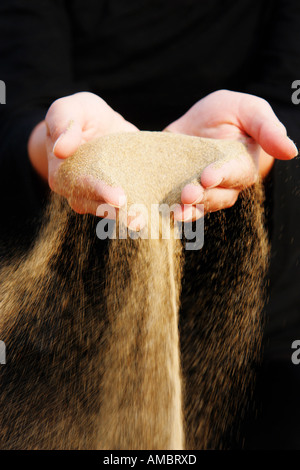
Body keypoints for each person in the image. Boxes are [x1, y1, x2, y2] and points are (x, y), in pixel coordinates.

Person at [0, 0, 300, 449]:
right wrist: (58, 148)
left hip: (262, 326)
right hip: (63, 311)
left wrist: (256, 149)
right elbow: (19, 97)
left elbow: (289, 98)